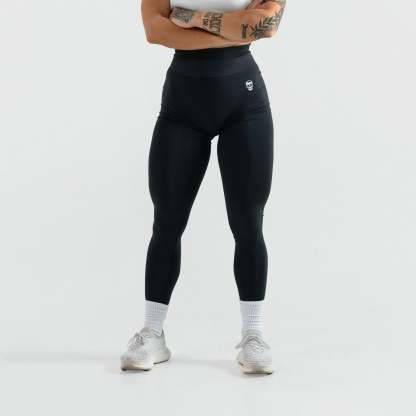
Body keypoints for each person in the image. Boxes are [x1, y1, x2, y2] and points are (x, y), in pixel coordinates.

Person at [121, 0, 286, 374]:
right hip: (182, 105)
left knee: (248, 223)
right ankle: (152, 332)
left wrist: (190, 20)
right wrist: (233, 28)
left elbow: (266, 25)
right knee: (167, 222)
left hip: (244, 104)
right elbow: (155, 31)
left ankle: (253, 335)